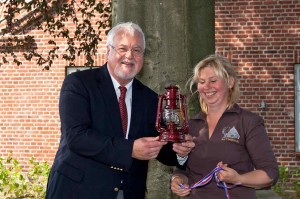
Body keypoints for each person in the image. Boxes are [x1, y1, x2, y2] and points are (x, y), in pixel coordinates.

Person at [45, 22, 195, 199]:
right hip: (77, 191)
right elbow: (77, 137)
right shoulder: (78, 84)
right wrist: (130, 149)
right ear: (109, 50)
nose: (129, 56)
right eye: (122, 48)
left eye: (137, 50)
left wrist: (180, 151)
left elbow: (159, 147)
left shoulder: (150, 98)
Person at [171, 54, 279, 199]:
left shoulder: (248, 122)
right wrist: (177, 180)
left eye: (213, 80)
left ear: (230, 82)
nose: (207, 87)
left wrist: (238, 179)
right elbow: (182, 170)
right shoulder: (191, 125)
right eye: (202, 82)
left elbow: (270, 174)